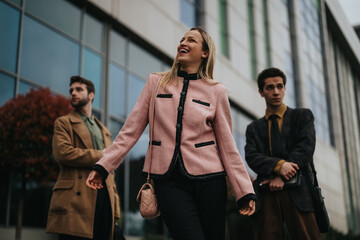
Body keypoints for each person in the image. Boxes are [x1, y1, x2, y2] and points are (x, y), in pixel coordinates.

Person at [86, 26, 256, 240]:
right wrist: (104, 165)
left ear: (205, 53)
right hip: (168, 180)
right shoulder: (155, 83)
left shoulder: (216, 91)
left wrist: (244, 190)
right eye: (182, 39)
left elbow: (228, 146)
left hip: (210, 182)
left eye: (191, 40)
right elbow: (130, 131)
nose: (183, 43)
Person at [244, 67, 321, 240]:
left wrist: (283, 176)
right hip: (266, 195)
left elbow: (306, 148)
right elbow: (252, 156)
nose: (276, 91)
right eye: (270, 87)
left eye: (280, 86)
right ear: (261, 92)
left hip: (300, 191)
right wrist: (280, 166)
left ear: (285, 89)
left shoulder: (302, 116)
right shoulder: (253, 128)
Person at [46, 76, 121, 240]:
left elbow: (111, 172)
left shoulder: (104, 130)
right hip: (76, 197)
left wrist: (115, 212)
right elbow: (63, 153)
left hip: (103, 198)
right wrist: (102, 155)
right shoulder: (63, 123)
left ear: (91, 95)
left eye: (79, 89)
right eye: (71, 90)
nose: (73, 93)